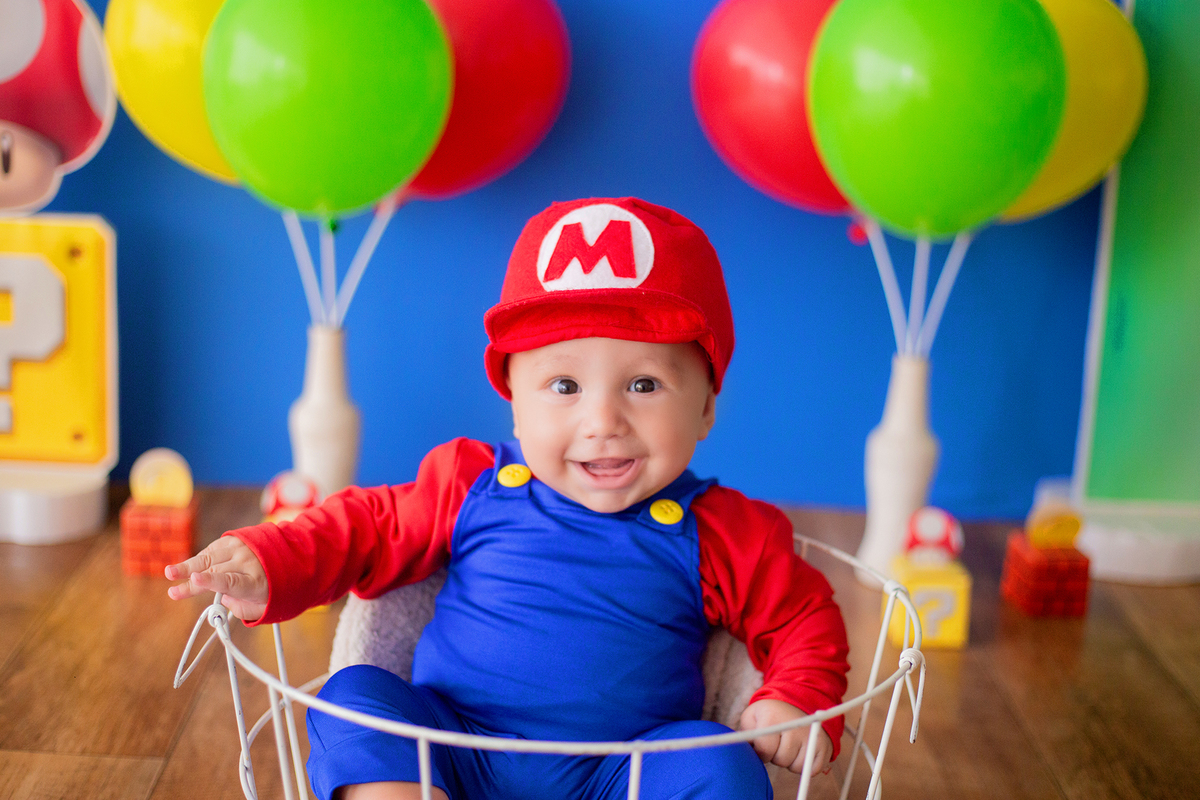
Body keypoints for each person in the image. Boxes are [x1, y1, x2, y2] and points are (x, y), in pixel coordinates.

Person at [166, 197, 850, 800]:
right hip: (450, 748)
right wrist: (272, 559)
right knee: (354, 698)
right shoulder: (471, 482)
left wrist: (796, 698)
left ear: (705, 409)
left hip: (623, 774)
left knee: (719, 763)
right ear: (515, 405)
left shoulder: (723, 530)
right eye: (564, 386)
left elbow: (803, 615)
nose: (603, 421)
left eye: (644, 385)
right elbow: (365, 528)